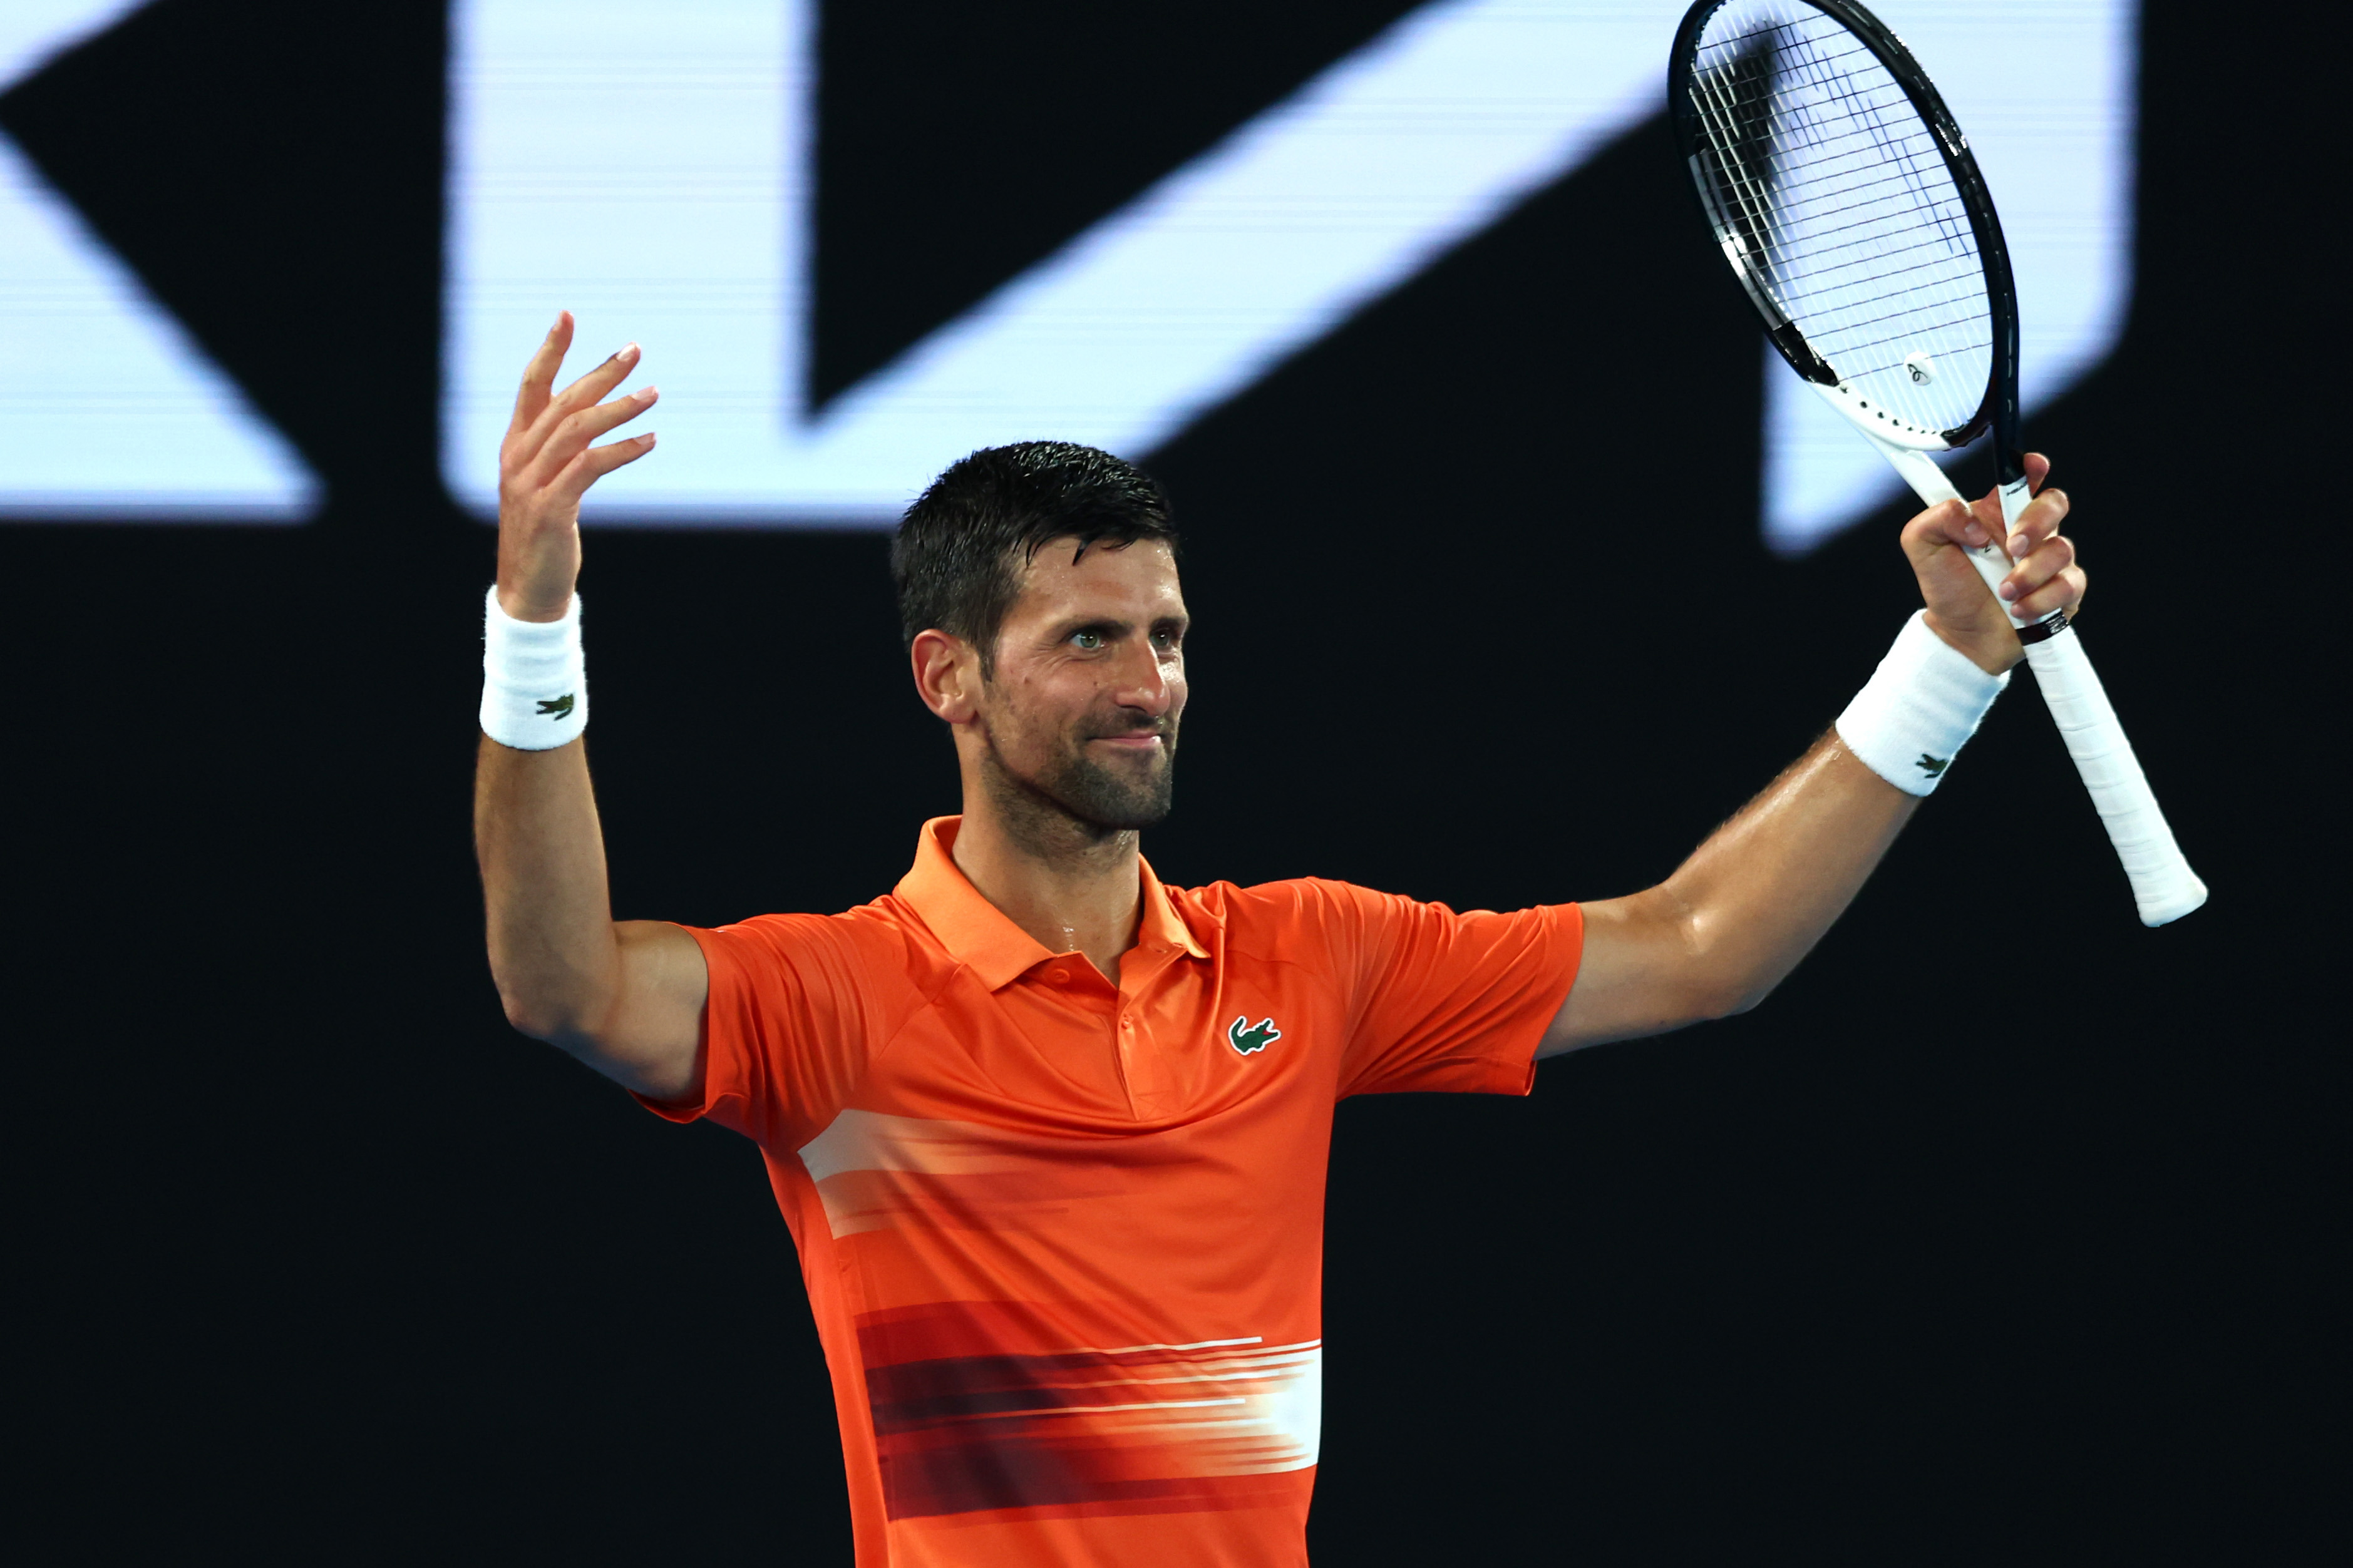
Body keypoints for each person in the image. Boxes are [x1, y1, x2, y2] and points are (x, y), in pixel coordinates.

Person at [475, 314, 2084, 1567]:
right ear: (944, 679)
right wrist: (534, 621)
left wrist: (1947, 659)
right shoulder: (831, 1001)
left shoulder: (1307, 962)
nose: (1147, 680)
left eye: (1166, 634)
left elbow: (1698, 943)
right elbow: (563, 982)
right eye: (1087, 637)